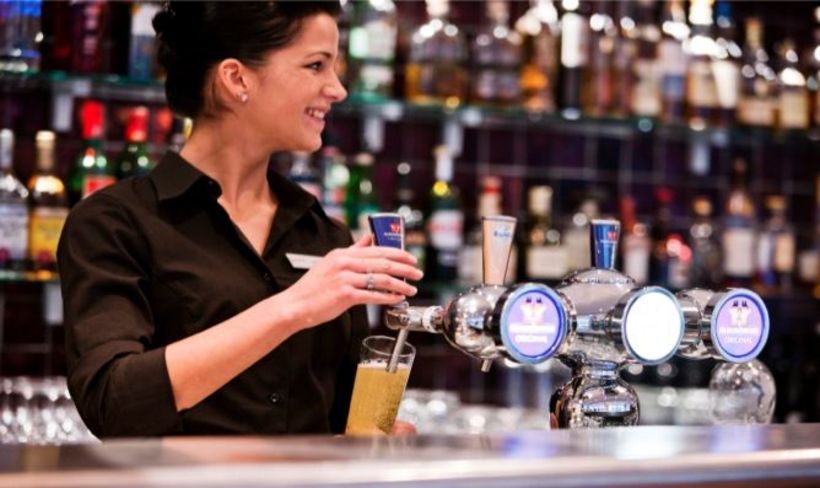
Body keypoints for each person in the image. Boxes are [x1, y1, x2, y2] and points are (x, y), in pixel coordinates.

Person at [57, 1, 422, 438]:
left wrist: (374, 439)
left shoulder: (323, 234)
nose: (337, 89)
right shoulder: (114, 223)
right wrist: (292, 307)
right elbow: (112, 402)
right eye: (316, 65)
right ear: (236, 78)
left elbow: (343, 421)